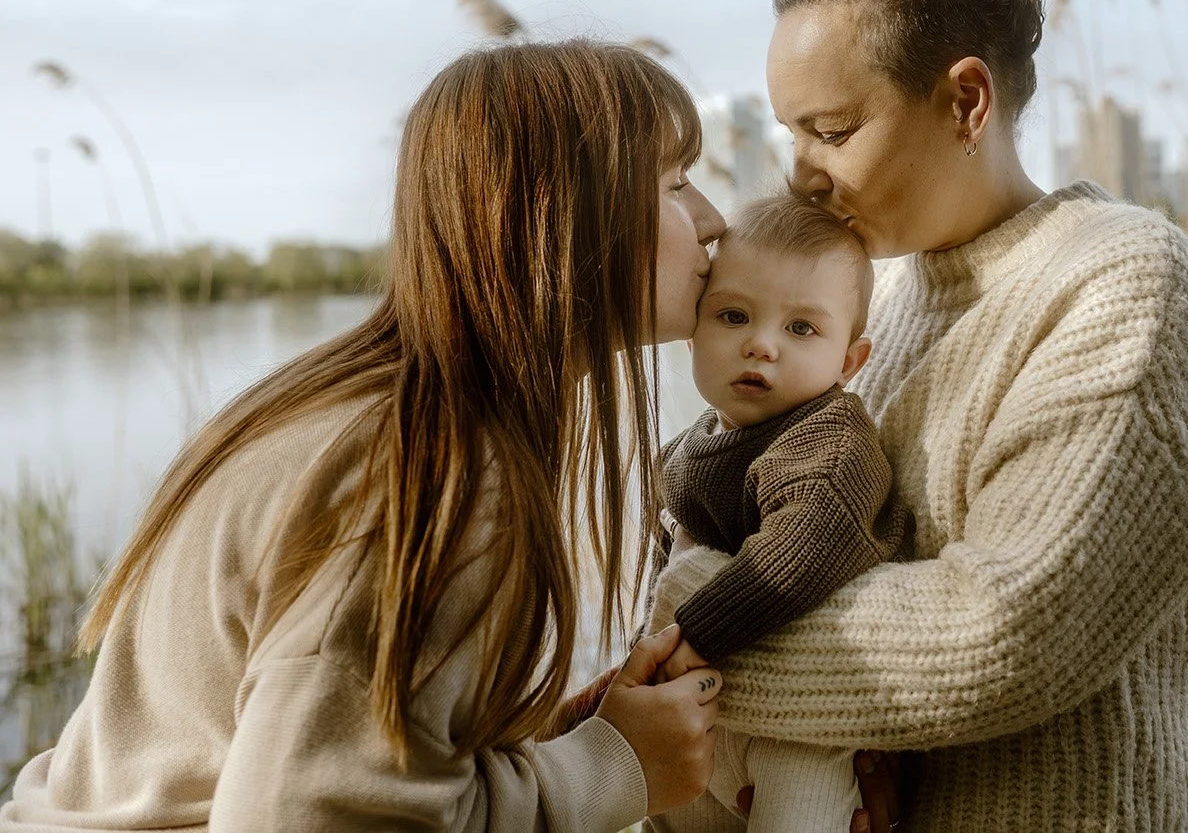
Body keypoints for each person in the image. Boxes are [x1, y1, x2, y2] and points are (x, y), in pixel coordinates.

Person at [653, 0, 1188, 830]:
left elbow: (1000, 633)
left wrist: (681, 638)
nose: (799, 174)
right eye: (788, 133)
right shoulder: (874, 298)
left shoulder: (1124, 289)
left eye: (832, 131)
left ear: (965, 100)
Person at [0, 41, 731, 832]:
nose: (715, 220)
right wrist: (610, 768)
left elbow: (320, 761)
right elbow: (312, 816)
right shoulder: (428, 469)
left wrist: (548, 739)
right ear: (561, 214)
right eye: (676, 183)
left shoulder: (369, 408)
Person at [642, 192, 914, 831]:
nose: (761, 345)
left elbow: (802, 547)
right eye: (733, 316)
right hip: (718, 703)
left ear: (848, 362)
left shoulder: (830, 439)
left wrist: (696, 632)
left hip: (809, 721)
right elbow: (666, 555)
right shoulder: (691, 447)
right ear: (693, 335)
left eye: (801, 328)